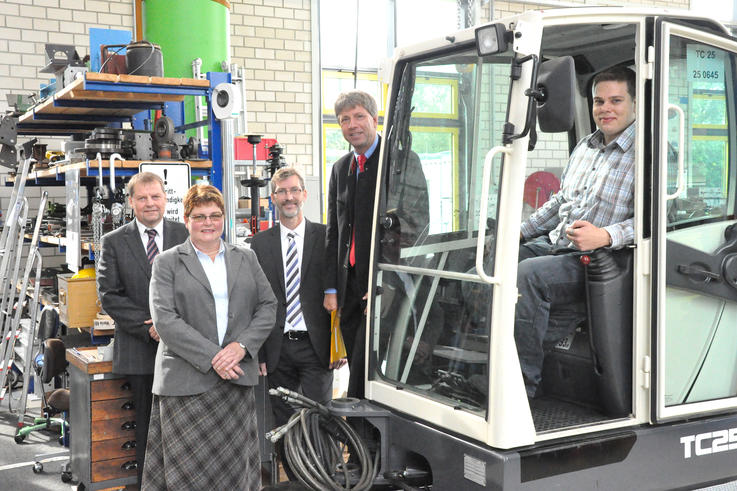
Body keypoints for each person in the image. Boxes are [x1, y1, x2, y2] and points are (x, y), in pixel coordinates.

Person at [142, 184, 276, 490]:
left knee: (234, 472)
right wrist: (215, 357)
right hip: (186, 384)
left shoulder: (246, 257)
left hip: (235, 381)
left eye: (215, 215)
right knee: (186, 473)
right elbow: (165, 320)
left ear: (224, 219)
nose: (208, 222)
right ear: (186, 220)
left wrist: (241, 347)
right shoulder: (167, 262)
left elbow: (268, 306)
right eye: (200, 216)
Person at [515, 66, 636, 398]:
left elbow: (656, 222)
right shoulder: (585, 147)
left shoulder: (650, 152)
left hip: (596, 260)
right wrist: (519, 233)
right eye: (599, 101)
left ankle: (520, 388)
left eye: (616, 100)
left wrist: (606, 235)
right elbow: (559, 202)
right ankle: (500, 356)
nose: (605, 109)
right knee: (490, 264)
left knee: (527, 276)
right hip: (556, 246)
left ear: (635, 103)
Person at [251, 166, 345, 479]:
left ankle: (326, 480)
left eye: (294, 190)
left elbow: (339, 290)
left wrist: (339, 344)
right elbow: (256, 301)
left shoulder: (326, 237)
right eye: (282, 191)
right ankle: (296, 480)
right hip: (278, 349)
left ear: (304, 195)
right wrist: (261, 352)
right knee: (285, 422)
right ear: (273, 198)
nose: (288, 197)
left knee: (321, 417)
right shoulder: (259, 244)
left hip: (316, 345)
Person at [96, 171, 188, 485]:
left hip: (184, 350)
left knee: (183, 424)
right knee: (147, 425)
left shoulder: (186, 234)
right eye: (143, 197)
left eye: (155, 196)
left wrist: (172, 327)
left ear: (165, 199)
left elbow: (199, 287)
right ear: (131, 201)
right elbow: (109, 294)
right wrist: (149, 326)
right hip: (139, 350)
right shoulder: (113, 241)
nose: (150, 203)